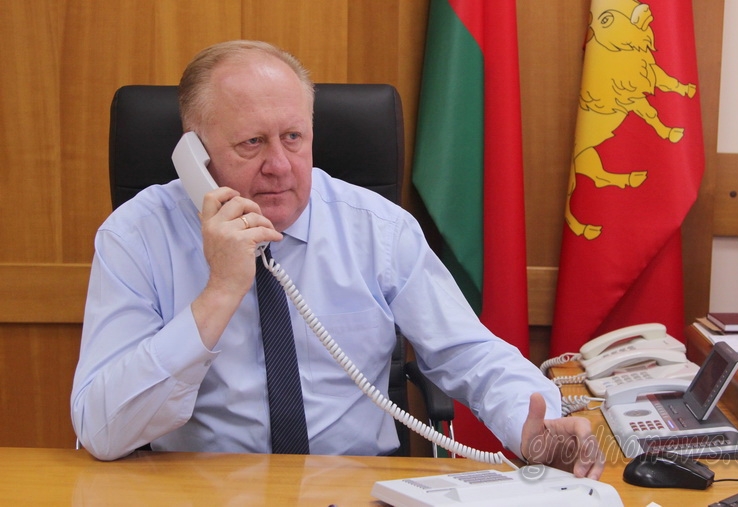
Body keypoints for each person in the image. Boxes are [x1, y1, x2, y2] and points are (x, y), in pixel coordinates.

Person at [71, 40, 604, 478]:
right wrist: (220, 291)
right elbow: (101, 429)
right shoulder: (136, 236)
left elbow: (469, 354)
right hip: (200, 490)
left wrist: (534, 426)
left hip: (356, 485)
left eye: (293, 138)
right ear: (195, 154)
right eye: (252, 143)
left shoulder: (377, 228)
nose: (280, 165)